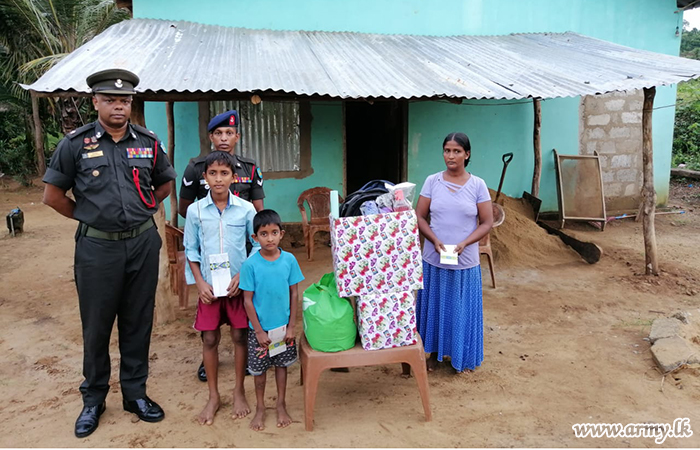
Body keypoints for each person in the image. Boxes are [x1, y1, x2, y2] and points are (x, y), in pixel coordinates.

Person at [42, 68, 176, 438]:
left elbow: (164, 184)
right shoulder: (75, 144)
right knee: (97, 325)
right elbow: (53, 196)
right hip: (96, 248)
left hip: (142, 244)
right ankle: (94, 399)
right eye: (111, 99)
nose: (119, 106)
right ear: (96, 102)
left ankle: (136, 394)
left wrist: (140, 210)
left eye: (125, 100)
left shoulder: (148, 142)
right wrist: (89, 218)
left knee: (138, 321)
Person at [178, 110, 265, 384]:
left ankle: (251, 358)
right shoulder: (195, 168)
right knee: (210, 332)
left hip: (239, 264)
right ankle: (209, 365)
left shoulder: (250, 170)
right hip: (210, 264)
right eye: (219, 133)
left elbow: (258, 223)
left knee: (242, 326)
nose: (224, 138)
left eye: (229, 133)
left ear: (237, 136)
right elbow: (187, 218)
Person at [406, 132, 493, 375]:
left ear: (467, 154)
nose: (451, 156)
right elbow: (419, 216)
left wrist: (465, 242)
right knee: (435, 305)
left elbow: (486, 222)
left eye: (456, 151)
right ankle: (433, 353)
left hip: (464, 259)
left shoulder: (478, 185)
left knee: (460, 306)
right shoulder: (433, 181)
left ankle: (459, 354)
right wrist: (433, 239)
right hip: (434, 257)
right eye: (447, 150)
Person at [183, 151, 258, 425]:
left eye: (224, 173)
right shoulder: (195, 211)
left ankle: (239, 390)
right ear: (204, 178)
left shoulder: (246, 209)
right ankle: (213, 395)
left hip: (238, 287)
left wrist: (243, 274)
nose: (218, 179)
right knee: (210, 339)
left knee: (240, 337)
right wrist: (199, 283)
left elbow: (257, 244)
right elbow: (190, 249)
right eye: (212, 173)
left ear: (233, 178)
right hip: (209, 289)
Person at [240, 210, 304, 431]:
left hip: (283, 330)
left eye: (274, 232)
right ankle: (260, 408)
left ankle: (281, 404)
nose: (270, 238)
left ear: (282, 234)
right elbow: (247, 301)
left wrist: (292, 326)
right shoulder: (250, 265)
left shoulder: (289, 260)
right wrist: (258, 331)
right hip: (259, 332)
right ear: (254, 238)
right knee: (259, 372)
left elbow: (294, 293)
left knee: (281, 367)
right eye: (264, 234)